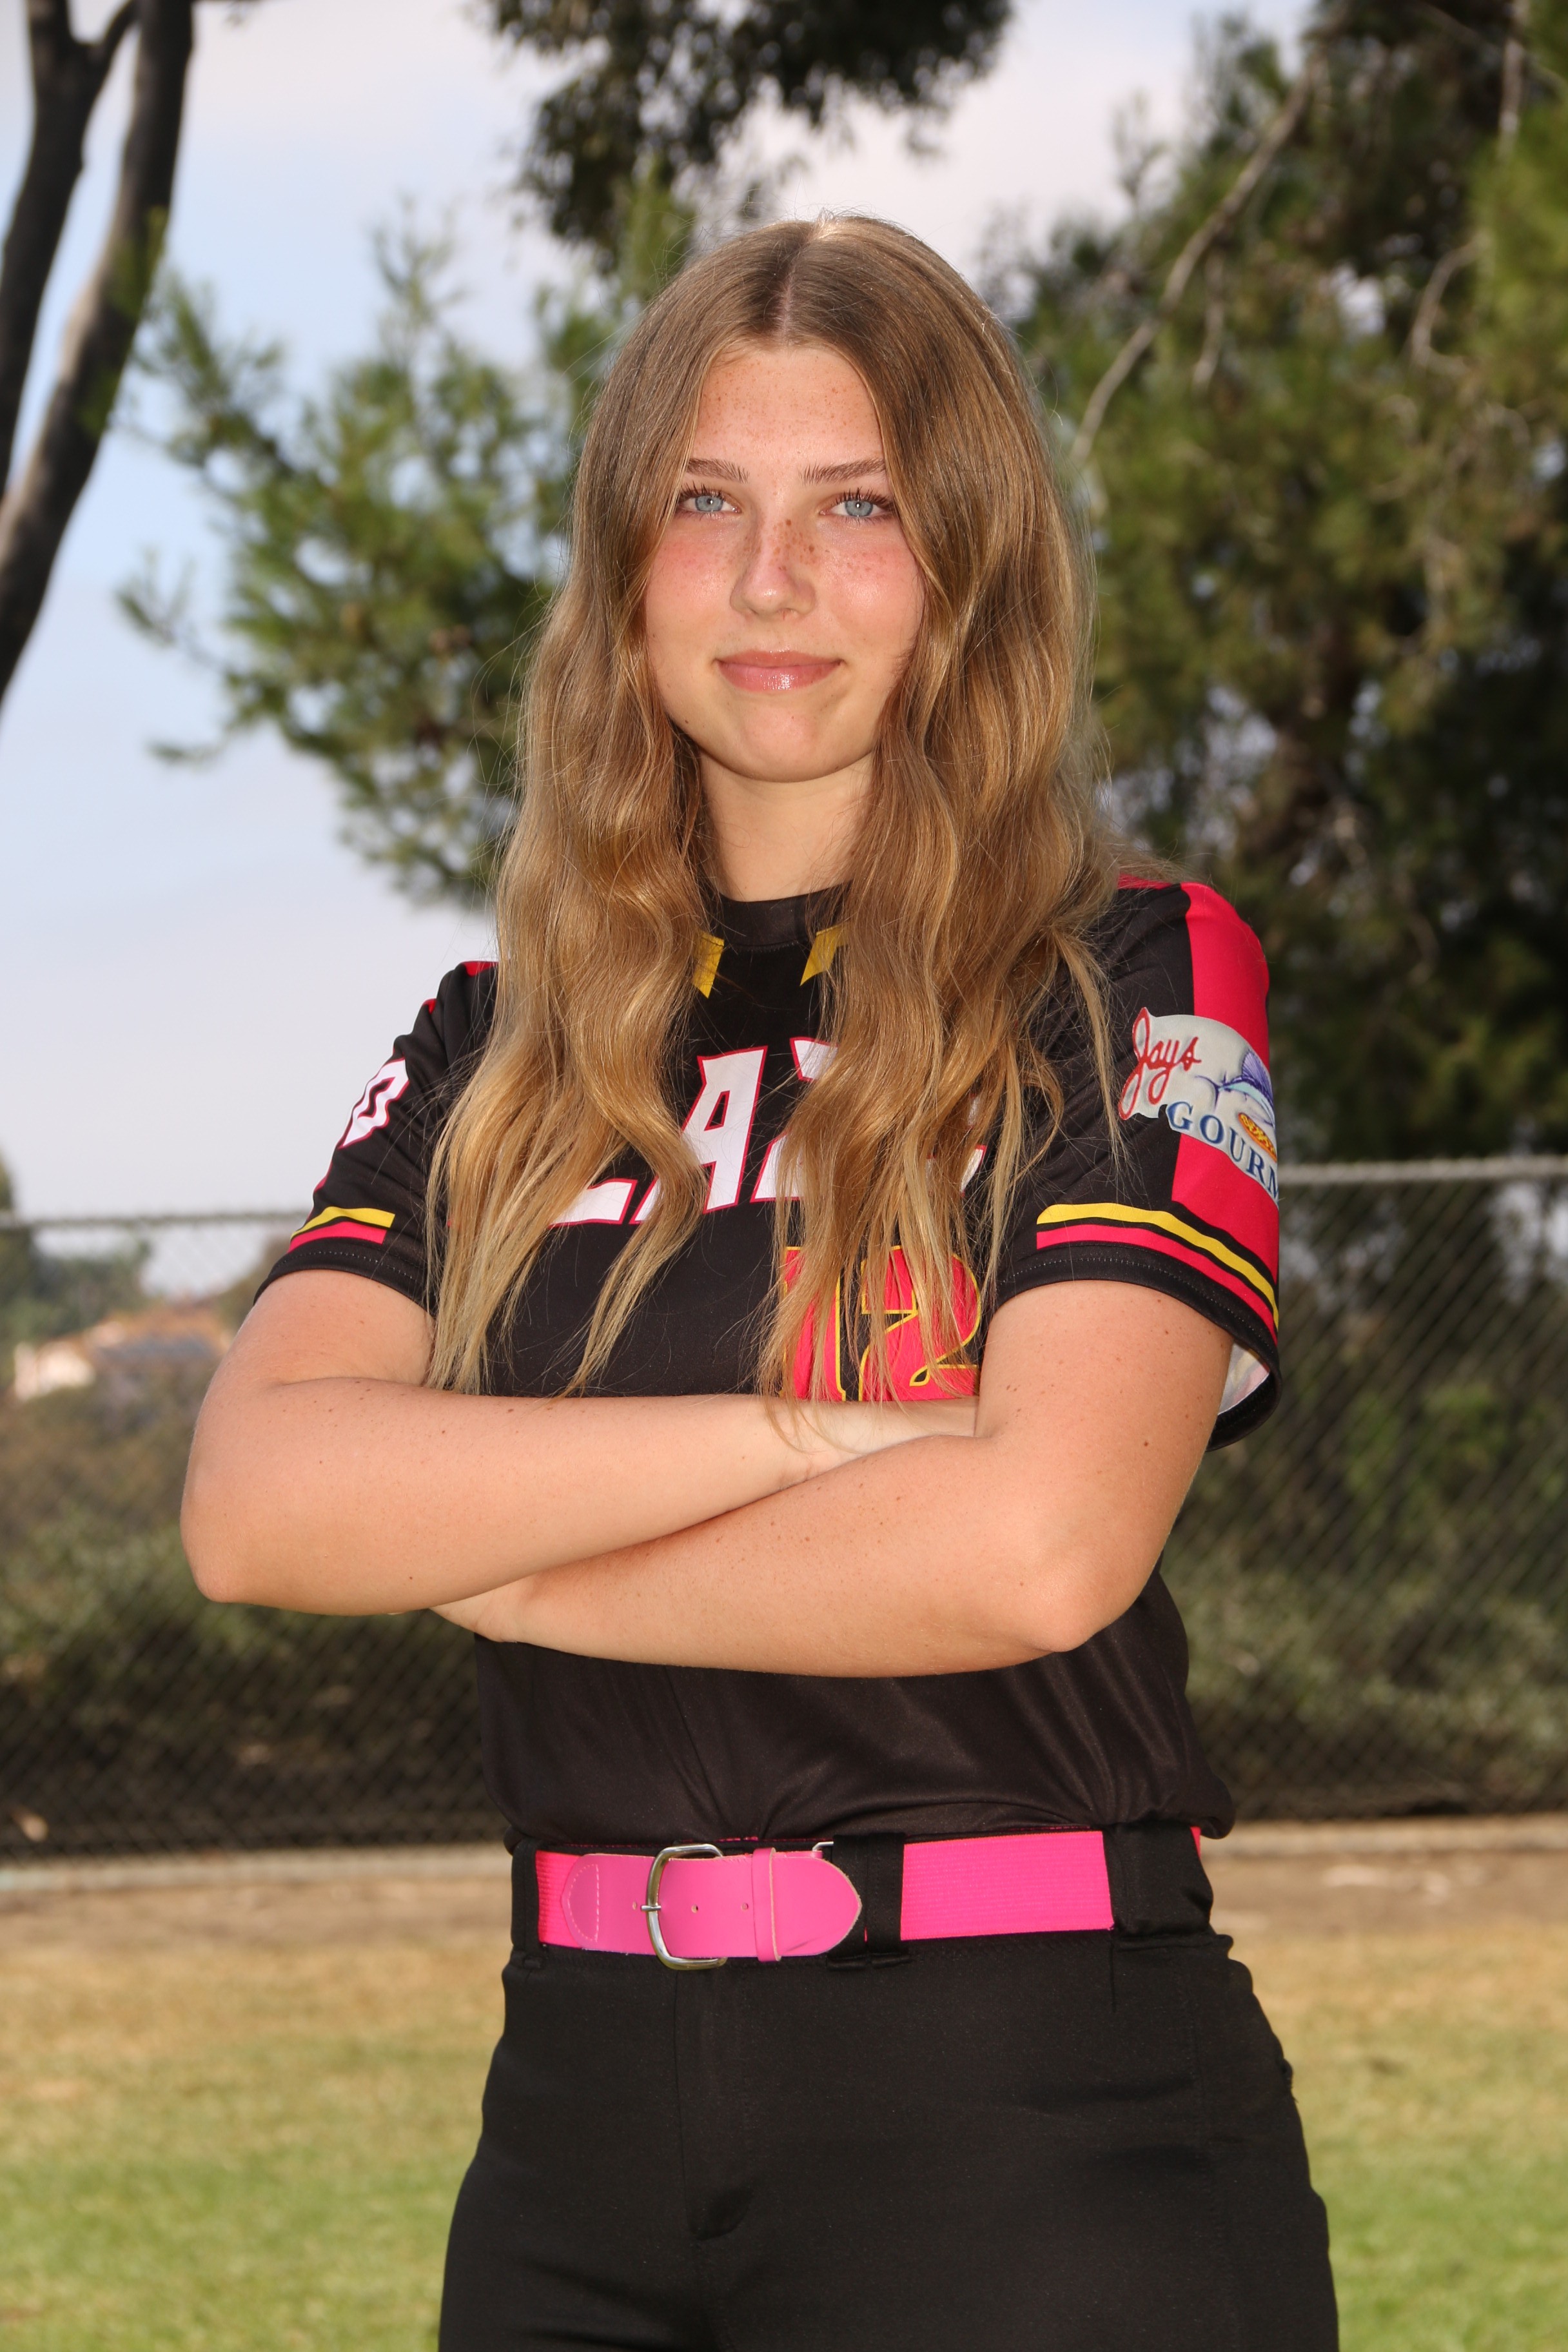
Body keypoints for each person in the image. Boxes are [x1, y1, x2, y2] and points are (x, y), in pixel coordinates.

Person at [183, 215, 1336, 2351]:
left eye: (860, 508)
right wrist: (810, 1437)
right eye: (708, 503)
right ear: (625, 570)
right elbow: (260, 1507)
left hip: (1029, 2110)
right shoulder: (496, 1045)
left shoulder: (1130, 975)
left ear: (969, 566)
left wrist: (503, 1556)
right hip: (574, 2128)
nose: (775, 579)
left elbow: (1039, 1544)